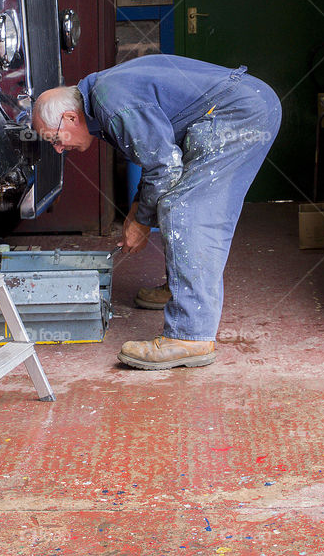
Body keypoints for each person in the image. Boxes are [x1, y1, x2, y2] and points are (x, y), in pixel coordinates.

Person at [32, 54, 282, 370]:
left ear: (69, 118)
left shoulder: (113, 102)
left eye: (54, 139)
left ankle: (190, 336)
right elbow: (155, 158)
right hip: (236, 108)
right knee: (174, 201)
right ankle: (179, 290)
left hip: (238, 115)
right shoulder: (105, 95)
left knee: (185, 210)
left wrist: (139, 221)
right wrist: (138, 210)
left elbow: (164, 167)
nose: (57, 148)